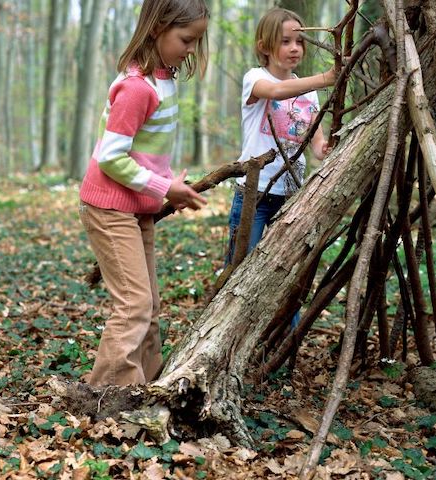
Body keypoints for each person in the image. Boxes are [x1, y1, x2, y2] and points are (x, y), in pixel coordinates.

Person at [79, 0, 209, 387]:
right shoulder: (136, 88)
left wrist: (168, 183)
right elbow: (111, 158)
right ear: (157, 28)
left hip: (138, 207)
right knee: (134, 304)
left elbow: (145, 150)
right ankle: (110, 395)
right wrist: (163, 185)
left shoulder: (163, 78)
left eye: (196, 41)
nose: (191, 50)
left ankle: (149, 385)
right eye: (186, 39)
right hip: (109, 207)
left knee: (148, 305)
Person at [226, 7, 337, 327]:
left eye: (300, 42)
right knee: (241, 268)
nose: (294, 48)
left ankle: (282, 336)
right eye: (285, 41)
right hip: (254, 195)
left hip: (291, 196)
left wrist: (323, 148)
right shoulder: (255, 78)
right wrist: (327, 77)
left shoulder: (308, 89)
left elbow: (315, 138)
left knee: (286, 270)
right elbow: (274, 91)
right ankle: (233, 330)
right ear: (264, 46)